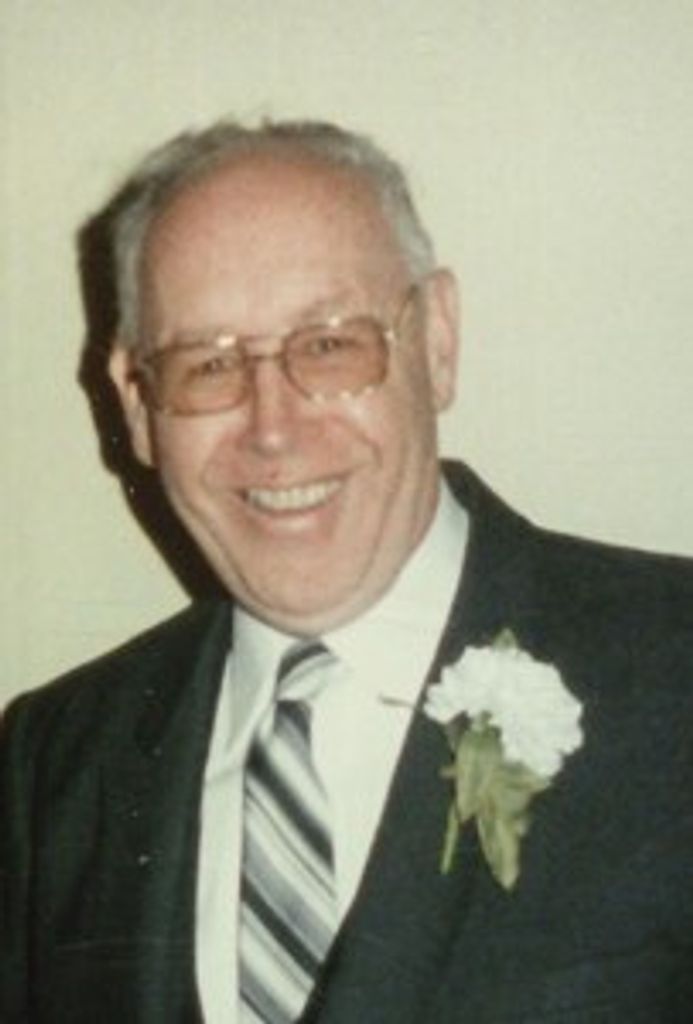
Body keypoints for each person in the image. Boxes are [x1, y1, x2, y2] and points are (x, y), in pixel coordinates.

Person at [2, 119, 693, 1024]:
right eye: (207, 365)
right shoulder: (53, 763)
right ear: (136, 403)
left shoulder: (673, 670)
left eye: (329, 346)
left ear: (436, 341)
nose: (272, 429)